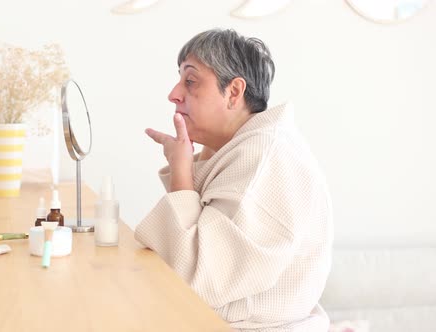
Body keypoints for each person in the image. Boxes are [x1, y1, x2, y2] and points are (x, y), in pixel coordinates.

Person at [134, 28, 333, 331]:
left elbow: (195, 278)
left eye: (190, 81)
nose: (174, 94)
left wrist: (182, 171)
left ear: (234, 92)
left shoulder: (264, 156)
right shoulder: (244, 148)